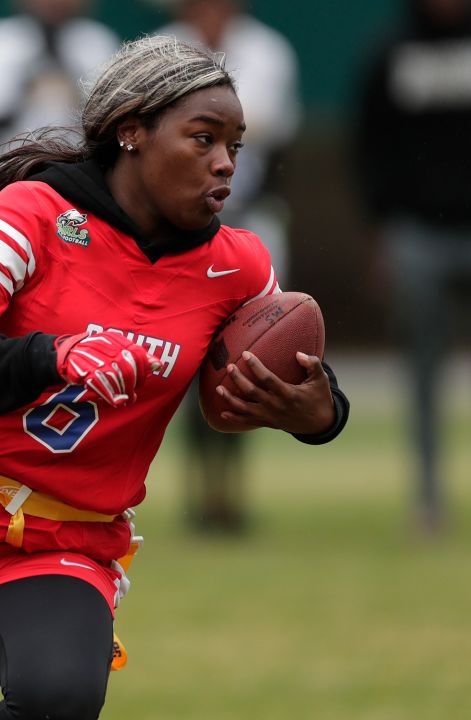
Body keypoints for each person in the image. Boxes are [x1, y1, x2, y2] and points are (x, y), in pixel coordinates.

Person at [0, 36, 349, 719]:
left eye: (235, 146)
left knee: (58, 703)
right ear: (130, 132)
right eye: (202, 139)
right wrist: (51, 355)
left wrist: (318, 414)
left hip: (60, 539)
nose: (225, 164)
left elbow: (300, 382)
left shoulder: (239, 265)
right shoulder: (33, 214)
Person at [354, 0, 471, 535]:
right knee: (423, 372)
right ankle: (429, 500)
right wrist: (381, 231)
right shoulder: (391, 52)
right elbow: (371, 146)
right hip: (417, 233)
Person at [157, 0, 302, 533]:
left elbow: (277, 136)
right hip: (180, 223)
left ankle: (232, 495)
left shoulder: (266, 51)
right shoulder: (163, 51)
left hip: (248, 215)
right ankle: (197, 494)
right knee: (182, 357)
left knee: (245, 357)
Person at [0, 0, 120, 161]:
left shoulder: (99, 42)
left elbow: (108, 119)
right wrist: (27, 85)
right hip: (5, 163)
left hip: (79, 163)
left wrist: (73, 89)